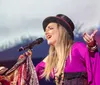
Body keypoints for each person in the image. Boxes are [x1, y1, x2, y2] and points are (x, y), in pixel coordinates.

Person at [35, 14, 99, 85]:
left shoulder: (77, 48)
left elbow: (93, 62)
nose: (46, 32)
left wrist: (92, 46)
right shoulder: (51, 59)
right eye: (45, 30)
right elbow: (33, 76)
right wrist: (24, 62)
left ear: (61, 31)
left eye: (50, 28)